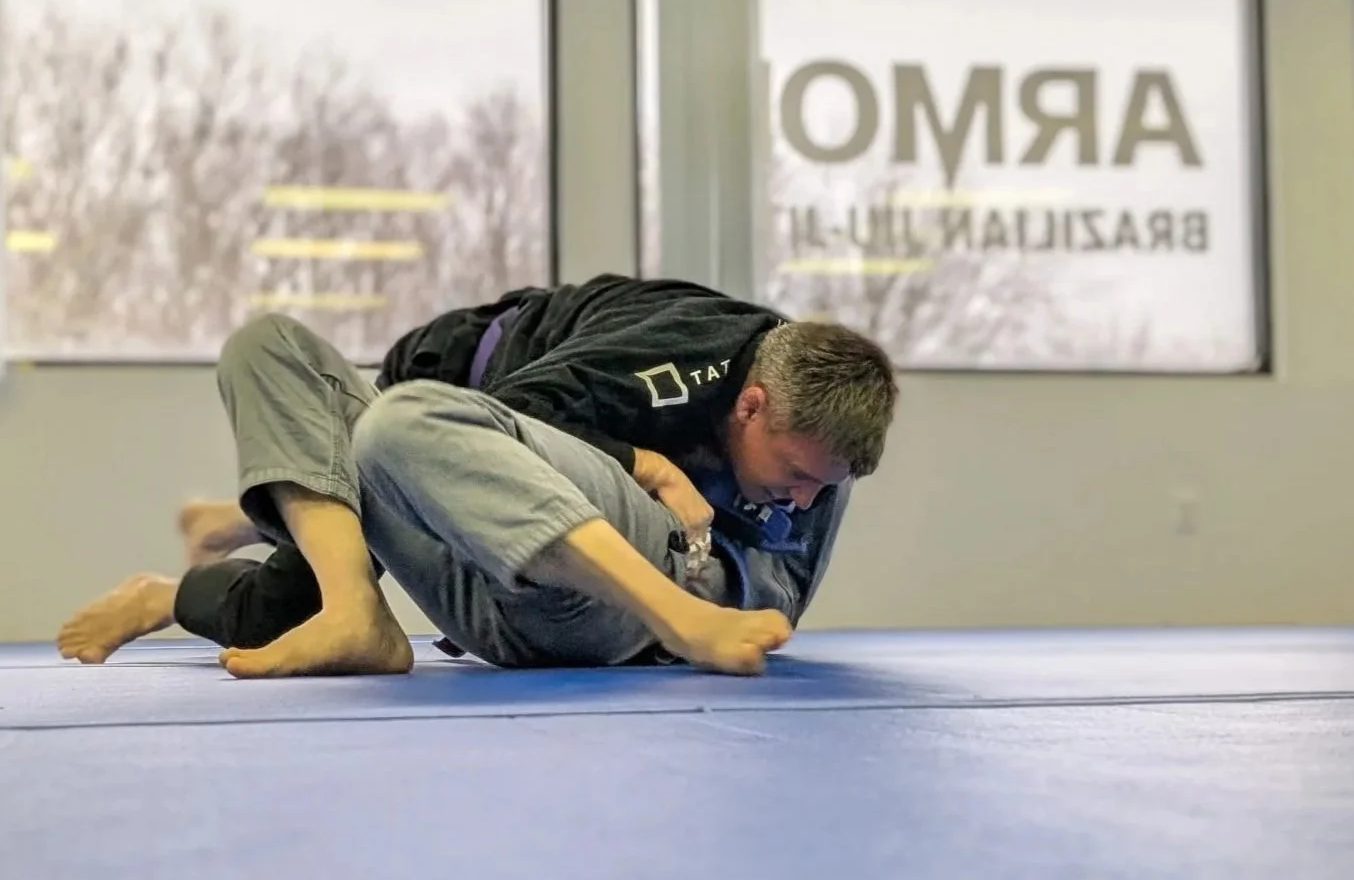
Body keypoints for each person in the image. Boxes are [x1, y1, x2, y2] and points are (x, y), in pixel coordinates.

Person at [56, 274, 897, 677]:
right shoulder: (679, 359)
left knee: (399, 425)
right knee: (268, 345)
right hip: (495, 576)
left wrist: (704, 599)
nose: (804, 496)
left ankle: (677, 617)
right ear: (750, 405)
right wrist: (649, 464)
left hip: (636, 593)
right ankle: (336, 609)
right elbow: (501, 426)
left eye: (820, 486)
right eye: (796, 475)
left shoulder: (818, 430)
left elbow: (780, 599)